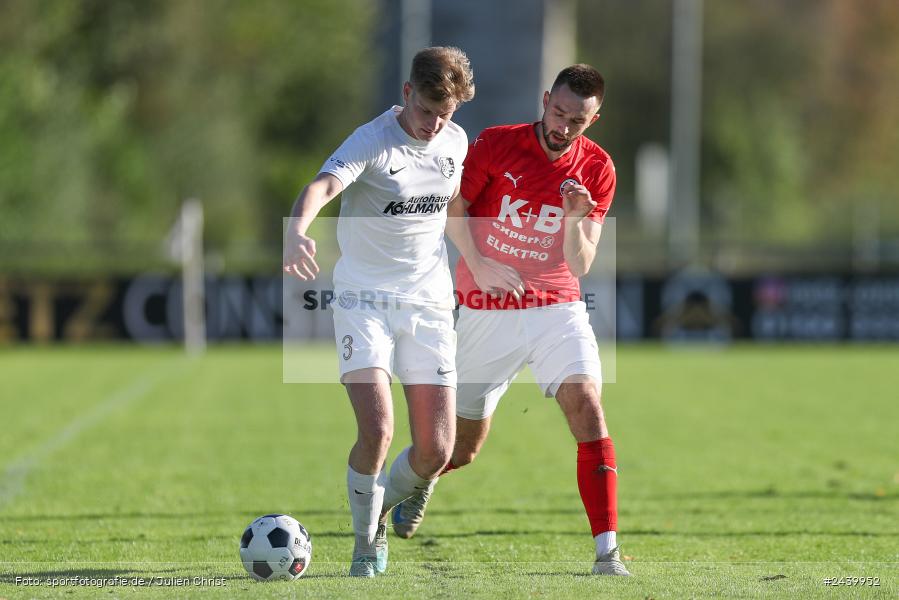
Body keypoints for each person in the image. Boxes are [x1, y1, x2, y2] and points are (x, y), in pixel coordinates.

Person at [391, 64, 630, 576]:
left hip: (555, 308)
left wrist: (573, 219)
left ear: (595, 118)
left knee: (588, 406)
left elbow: (582, 263)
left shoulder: (599, 169)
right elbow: (453, 208)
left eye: (577, 121)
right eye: (558, 112)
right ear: (545, 99)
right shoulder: (498, 144)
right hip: (485, 310)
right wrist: (479, 265)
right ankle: (417, 479)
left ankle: (607, 553)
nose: (563, 126)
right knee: (459, 449)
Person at [283, 46, 474, 577]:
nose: (435, 124)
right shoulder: (371, 140)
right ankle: (367, 543)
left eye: (447, 113)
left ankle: (406, 490)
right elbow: (322, 186)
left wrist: (480, 258)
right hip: (363, 299)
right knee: (379, 431)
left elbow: (453, 206)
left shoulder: (455, 142)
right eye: (427, 110)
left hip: (430, 301)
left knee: (437, 450)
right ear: (407, 93)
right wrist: (297, 232)